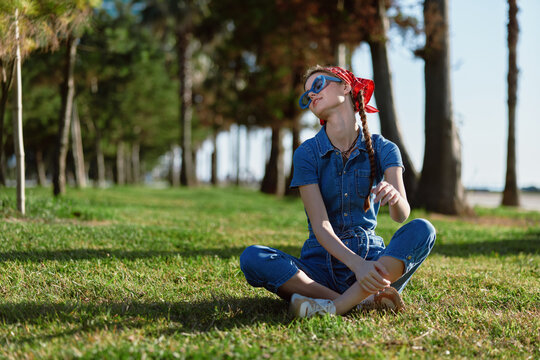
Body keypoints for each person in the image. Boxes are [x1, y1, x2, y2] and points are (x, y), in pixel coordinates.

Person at [240, 65, 436, 318]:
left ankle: (334, 308)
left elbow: (401, 216)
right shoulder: (306, 153)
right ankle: (364, 301)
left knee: (423, 229)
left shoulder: (385, 148)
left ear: (346, 86)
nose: (311, 94)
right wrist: (359, 267)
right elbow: (321, 226)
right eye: (307, 95)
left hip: (376, 263)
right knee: (253, 257)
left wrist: (396, 198)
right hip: (320, 267)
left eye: (318, 85)